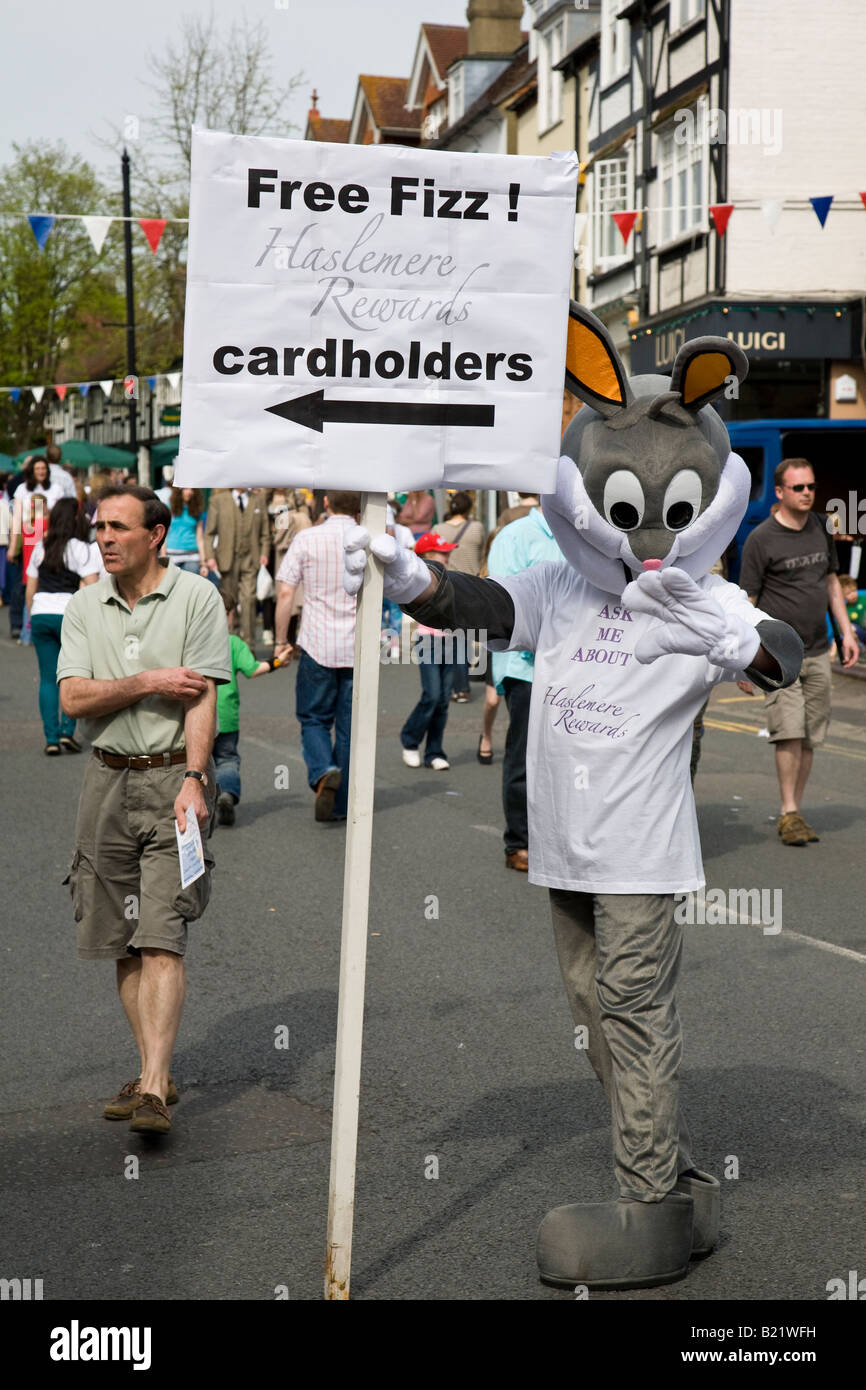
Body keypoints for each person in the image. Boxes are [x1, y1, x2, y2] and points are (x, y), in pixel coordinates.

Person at [345, 305, 803, 1291]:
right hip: (563, 843)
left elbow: (777, 657)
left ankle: (644, 1203)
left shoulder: (705, 593)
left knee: (633, 1008)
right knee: (592, 1010)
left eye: (666, 512)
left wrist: (739, 645)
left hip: (640, 846)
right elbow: (485, 610)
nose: (642, 535)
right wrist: (413, 579)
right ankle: (678, 1178)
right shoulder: (559, 580)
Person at [56, 484, 230, 1135]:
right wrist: (151, 680)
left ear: (155, 535)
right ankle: (150, 1066)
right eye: (100, 527)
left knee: (162, 932)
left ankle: (154, 1085)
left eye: (118, 528)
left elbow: (202, 696)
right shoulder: (83, 606)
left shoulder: (196, 598)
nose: (104, 538)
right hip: (105, 785)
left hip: (170, 784)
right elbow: (73, 699)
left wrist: (194, 779)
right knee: (123, 942)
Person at [739, 457, 858, 845]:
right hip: (779, 655)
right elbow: (748, 601)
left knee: (809, 737)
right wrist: (742, 660)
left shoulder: (822, 528)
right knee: (788, 733)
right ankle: (789, 810)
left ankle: (796, 809)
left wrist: (847, 633)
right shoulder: (761, 540)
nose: (807, 493)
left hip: (820, 650)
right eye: (799, 488)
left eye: (811, 486)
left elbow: (830, 583)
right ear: (780, 492)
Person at [273, 491, 360, 822]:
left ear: (326, 503)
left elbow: (285, 592)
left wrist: (282, 639)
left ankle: (324, 770)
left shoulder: (307, 538)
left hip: (317, 642)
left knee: (313, 718)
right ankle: (340, 804)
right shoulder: (369, 541)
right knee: (350, 729)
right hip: (356, 647)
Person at [487, 502, 563, 871]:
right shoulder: (515, 536)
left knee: (565, 755)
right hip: (526, 666)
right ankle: (518, 841)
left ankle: (555, 838)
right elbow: (504, 601)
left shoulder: (577, 537)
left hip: (571, 665)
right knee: (524, 753)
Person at [25, 497, 101, 754]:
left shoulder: (41, 546)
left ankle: (51, 738)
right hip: (69, 613)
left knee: (47, 678)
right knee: (72, 674)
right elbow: (92, 585)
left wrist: (31, 614)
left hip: (41, 613)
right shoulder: (80, 548)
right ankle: (68, 731)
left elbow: (30, 587)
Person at [212, 585, 283, 826]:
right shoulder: (234, 643)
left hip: (198, 714)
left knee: (197, 761)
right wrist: (276, 662)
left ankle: (199, 804)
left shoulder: (192, 641)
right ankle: (227, 794)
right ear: (229, 615)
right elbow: (253, 670)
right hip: (227, 715)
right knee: (227, 758)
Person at [400, 532, 459, 771]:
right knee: (432, 695)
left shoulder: (450, 576)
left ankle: (434, 751)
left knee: (443, 700)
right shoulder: (418, 578)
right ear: (427, 555)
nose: (448, 555)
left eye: (447, 551)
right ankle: (410, 740)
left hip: (454, 640)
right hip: (428, 640)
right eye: (442, 552)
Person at [433, 491, 485, 701]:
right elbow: (481, 552)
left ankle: (450, 684)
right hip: (471, 586)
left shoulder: (438, 529)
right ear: (468, 508)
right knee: (463, 638)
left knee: (447, 637)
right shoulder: (477, 528)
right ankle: (461, 687)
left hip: (446, 586)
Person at [204, 488, 270, 646]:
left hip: (251, 557)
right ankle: (231, 645)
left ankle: (248, 646)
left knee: (249, 599)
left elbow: (265, 533)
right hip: (226, 559)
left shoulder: (258, 500)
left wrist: (264, 553)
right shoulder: (218, 500)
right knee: (229, 602)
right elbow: (209, 533)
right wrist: (210, 556)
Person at [162, 487, 207, 574]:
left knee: (190, 586)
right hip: (172, 555)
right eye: (186, 489)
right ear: (179, 490)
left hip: (192, 556)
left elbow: (200, 538)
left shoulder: (197, 510)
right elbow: (164, 534)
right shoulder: (169, 507)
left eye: (192, 489)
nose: (189, 492)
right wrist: (163, 557)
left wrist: (203, 563)